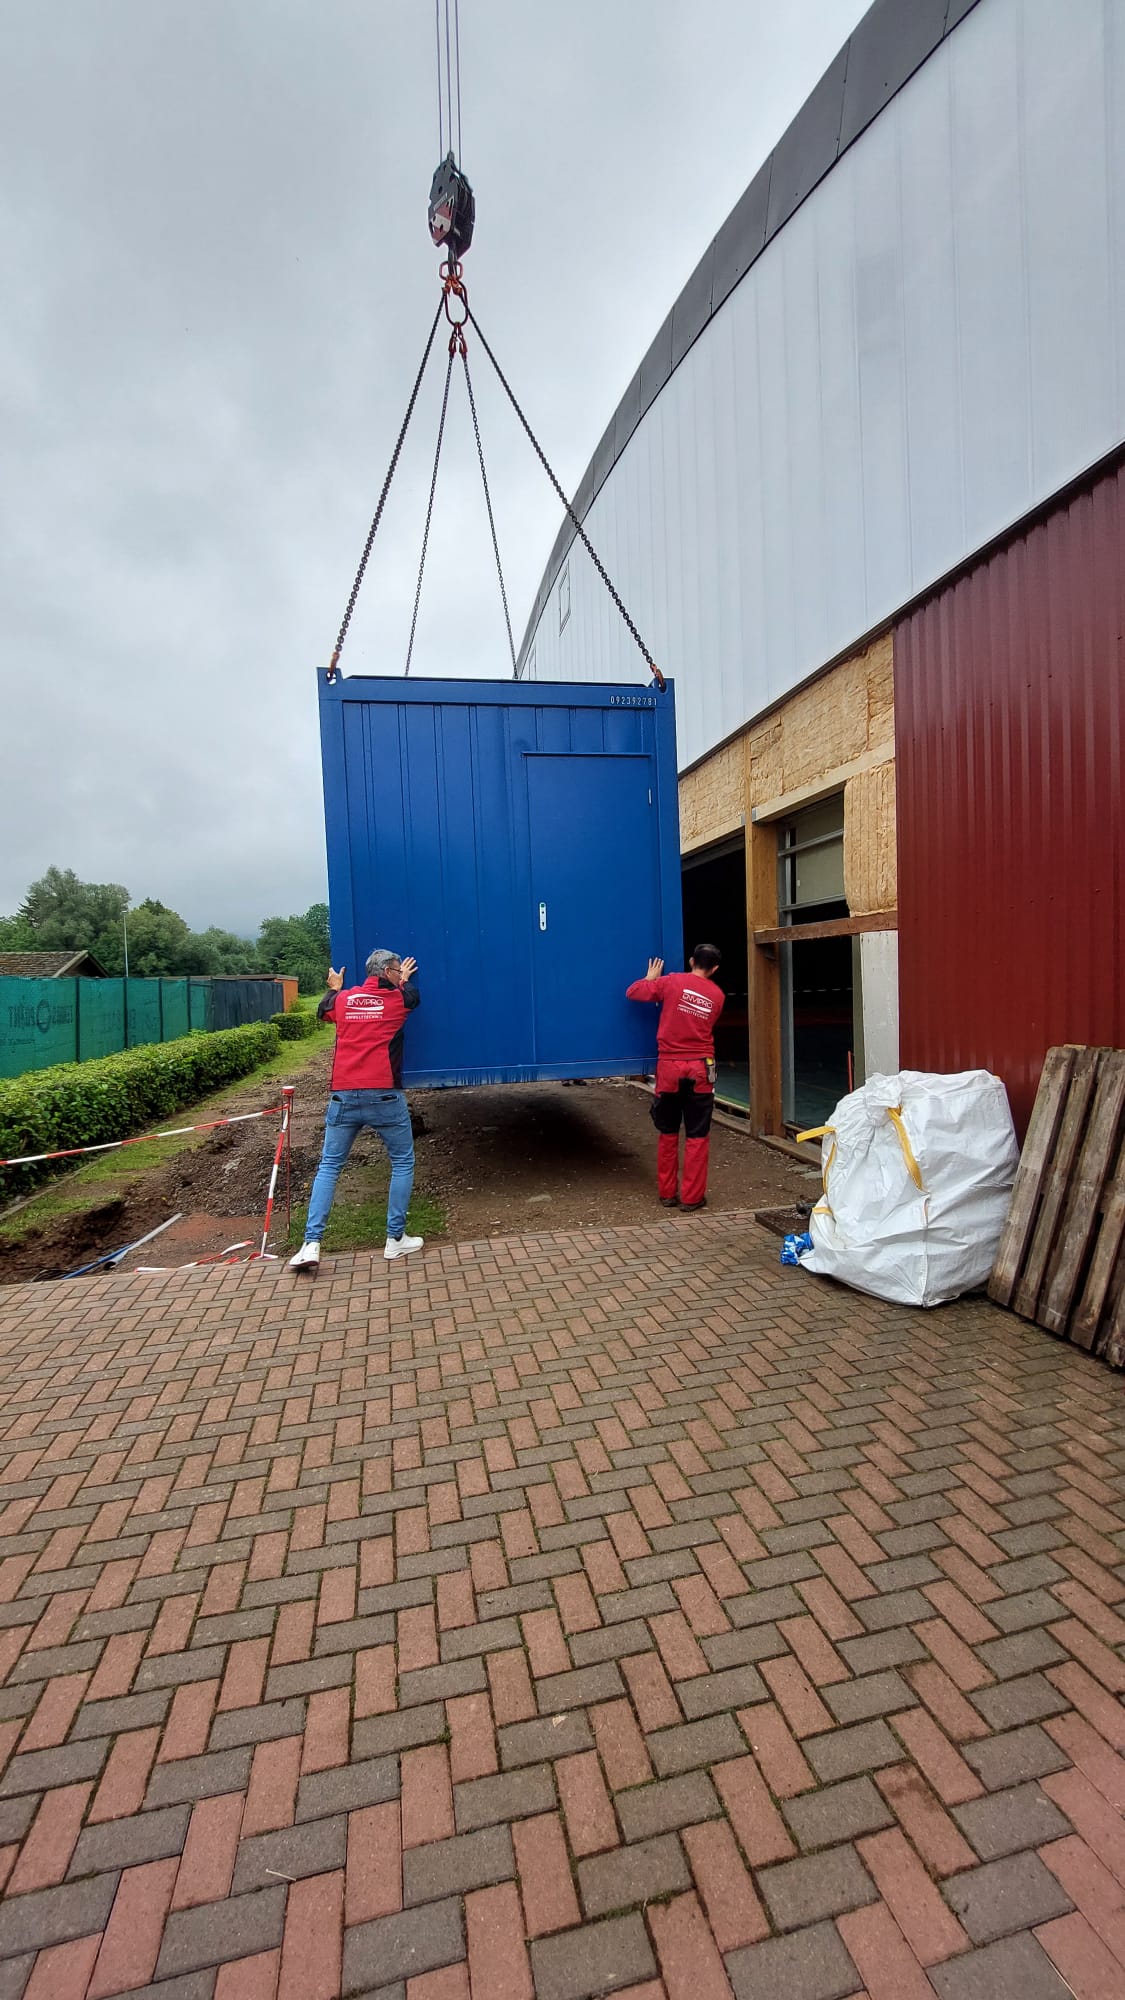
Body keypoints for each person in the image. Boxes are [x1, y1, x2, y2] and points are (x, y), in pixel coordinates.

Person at [289, 948, 423, 1274]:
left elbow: (323, 1010)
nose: (398, 972)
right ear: (388, 971)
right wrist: (404, 981)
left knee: (330, 1166)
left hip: (343, 1095)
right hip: (384, 1096)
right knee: (402, 1162)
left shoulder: (345, 1000)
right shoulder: (396, 1000)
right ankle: (395, 1240)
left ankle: (311, 1244)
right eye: (396, 969)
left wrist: (335, 986)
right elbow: (412, 999)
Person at [626, 944, 724, 1211]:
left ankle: (668, 1193)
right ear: (714, 969)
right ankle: (692, 1198)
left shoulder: (672, 982)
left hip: (669, 1068)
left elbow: (633, 992)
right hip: (702, 1069)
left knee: (668, 1133)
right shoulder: (718, 995)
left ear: (692, 961)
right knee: (697, 1135)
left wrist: (651, 978)